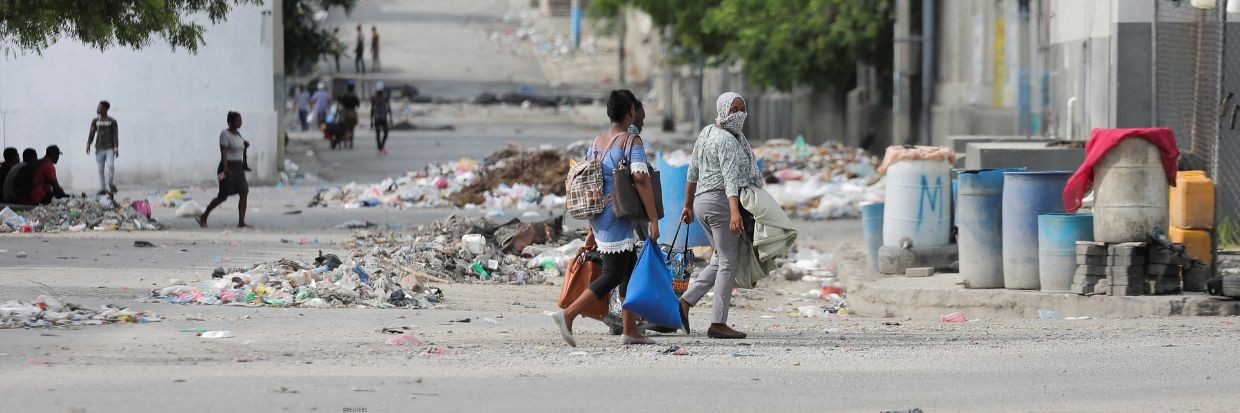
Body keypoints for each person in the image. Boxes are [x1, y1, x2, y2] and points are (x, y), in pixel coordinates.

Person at [551, 90, 662, 347]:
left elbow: (593, 179)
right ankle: (568, 315)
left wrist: (592, 225)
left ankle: (629, 329)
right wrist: (654, 218)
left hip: (600, 214)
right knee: (612, 274)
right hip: (617, 215)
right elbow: (641, 178)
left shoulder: (597, 141)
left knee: (629, 269)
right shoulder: (630, 141)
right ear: (631, 112)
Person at [678, 92, 762, 340]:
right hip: (720, 203)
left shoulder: (706, 133)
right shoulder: (727, 140)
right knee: (728, 262)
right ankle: (718, 323)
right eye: (734, 109)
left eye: (742, 110)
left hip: (702, 203)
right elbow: (730, 179)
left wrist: (688, 204)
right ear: (723, 109)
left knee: (719, 259)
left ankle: (685, 302)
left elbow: (692, 171)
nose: (738, 115)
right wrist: (735, 212)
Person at [197, 112, 251, 228]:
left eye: (240, 120)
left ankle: (241, 222)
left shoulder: (238, 135)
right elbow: (224, 151)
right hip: (227, 168)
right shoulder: (225, 134)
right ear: (231, 122)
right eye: (237, 121)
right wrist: (225, 168)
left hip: (238, 167)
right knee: (222, 196)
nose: (240, 123)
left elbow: (238, 148)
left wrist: (244, 144)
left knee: (244, 192)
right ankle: (204, 215)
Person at [87, 100, 119, 195]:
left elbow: (115, 135)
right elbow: (92, 133)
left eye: (99, 107)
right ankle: (102, 188)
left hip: (109, 148)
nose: (98, 109)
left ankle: (110, 183)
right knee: (100, 169)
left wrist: (116, 148)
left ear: (105, 109)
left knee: (111, 166)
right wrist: (88, 143)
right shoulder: (95, 121)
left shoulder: (112, 121)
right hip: (99, 149)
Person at [371, 82, 392, 155]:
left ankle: (381, 146)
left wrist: (391, 117)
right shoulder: (374, 97)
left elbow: (388, 107)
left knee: (385, 133)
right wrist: (371, 120)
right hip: (377, 117)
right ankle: (380, 147)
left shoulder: (385, 97)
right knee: (378, 133)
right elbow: (372, 108)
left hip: (383, 117)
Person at [340, 83, 361, 149]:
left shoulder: (344, 96)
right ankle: (351, 142)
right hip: (353, 113)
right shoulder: (355, 97)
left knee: (346, 128)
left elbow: (342, 104)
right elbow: (358, 106)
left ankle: (345, 142)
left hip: (345, 113)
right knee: (352, 129)